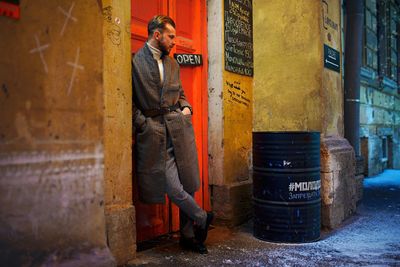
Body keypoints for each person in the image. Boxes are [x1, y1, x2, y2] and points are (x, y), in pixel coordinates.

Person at [132, 15, 213, 254]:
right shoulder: (136, 62)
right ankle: (202, 216)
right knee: (171, 185)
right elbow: (129, 101)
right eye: (170, 37)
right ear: (157, 35)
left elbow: (181, 93)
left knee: (188, 181)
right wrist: (143, 124)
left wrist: (187, 107)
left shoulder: (173, 64)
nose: (174, 42)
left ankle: (188, 236)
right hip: (154, 131)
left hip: (179, 126)